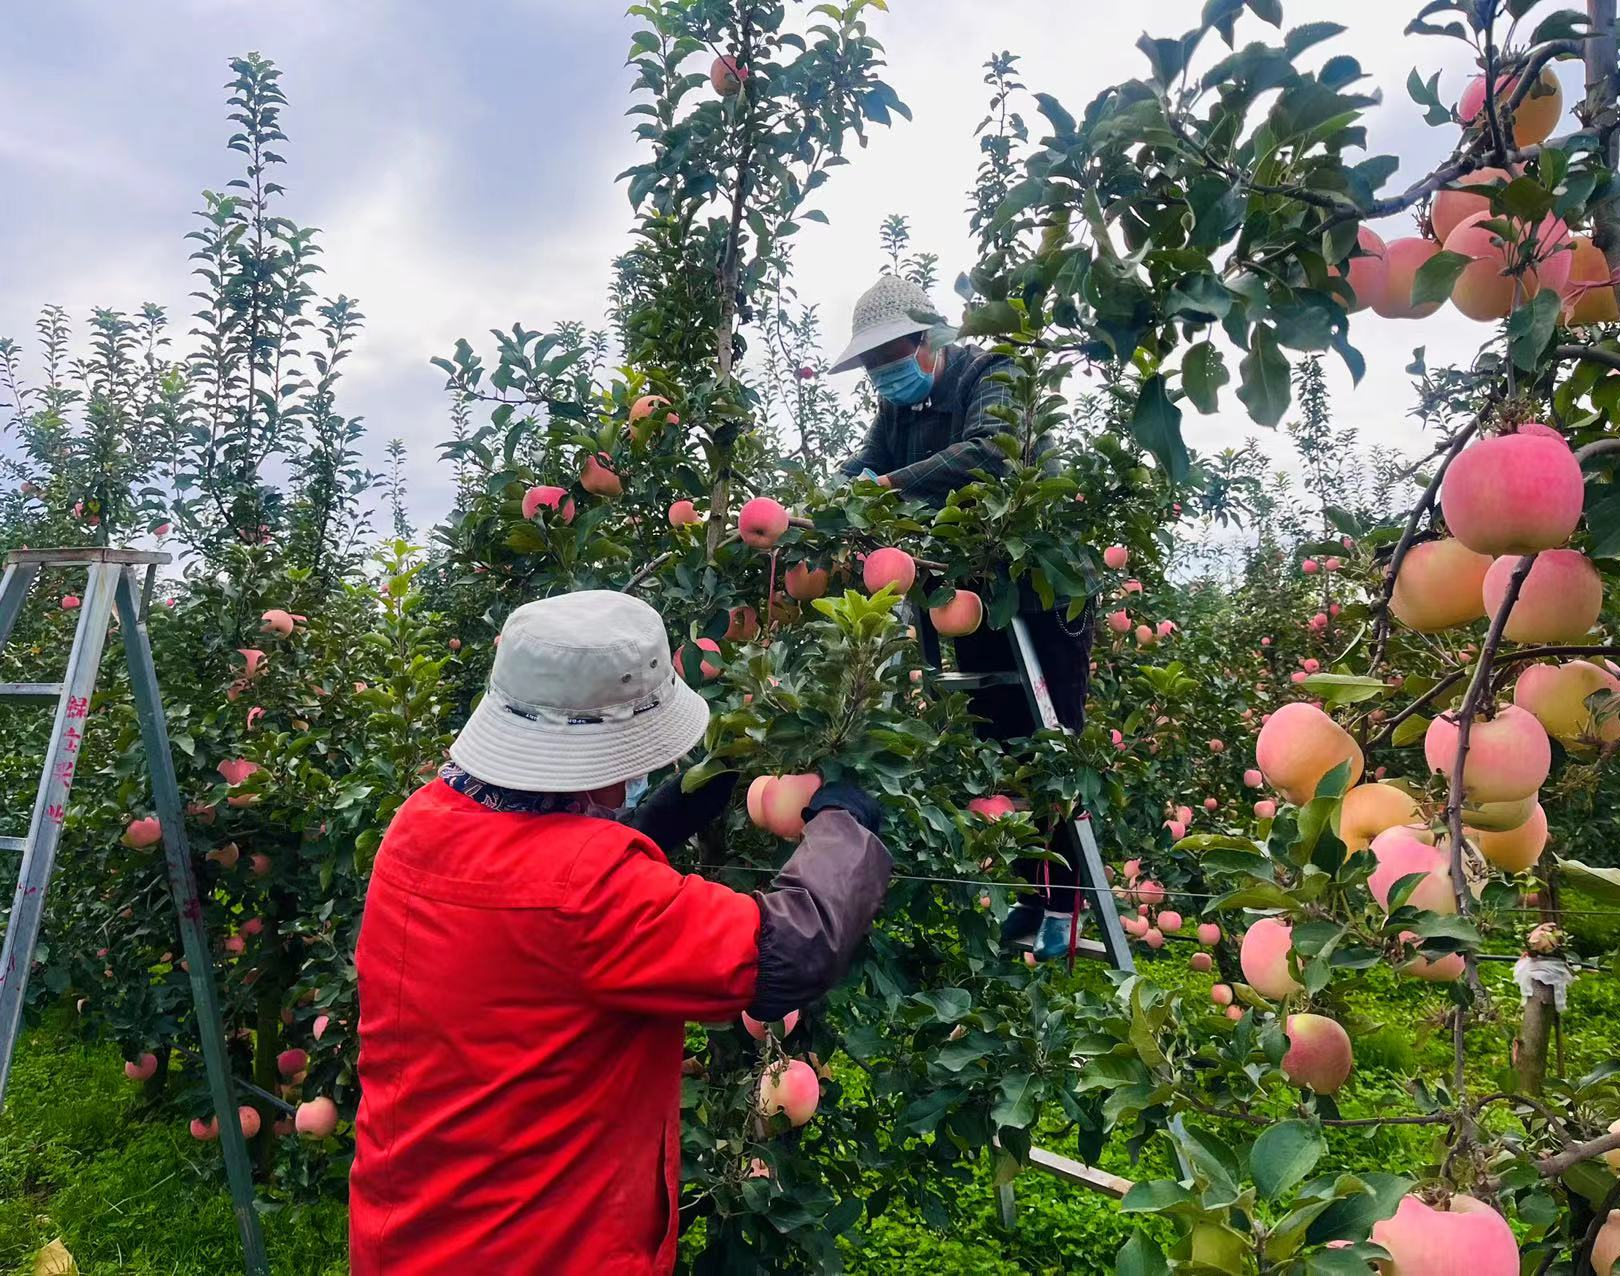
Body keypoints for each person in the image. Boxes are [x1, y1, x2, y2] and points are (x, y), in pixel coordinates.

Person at [350, 590, 892, 1275]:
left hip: (414, 1230)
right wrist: (843, 827)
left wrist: (665, 820)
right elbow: (791, 949)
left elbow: (535, 893)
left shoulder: (421, 823)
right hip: (545, 1248)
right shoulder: (587, 893)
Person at [829, 273, 1093, 962]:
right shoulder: (899, 413)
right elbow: (867, 461)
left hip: (1040, 591)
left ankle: (1068, 901)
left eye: (889, 362)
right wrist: (839, 489)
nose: (882, 380)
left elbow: (991, 454)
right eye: (872, 370)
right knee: (1001, 746)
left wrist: (884, 487)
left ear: (926, 342)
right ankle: (1033, 892)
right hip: (969, 602)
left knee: (1049, 746)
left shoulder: (992, 372)